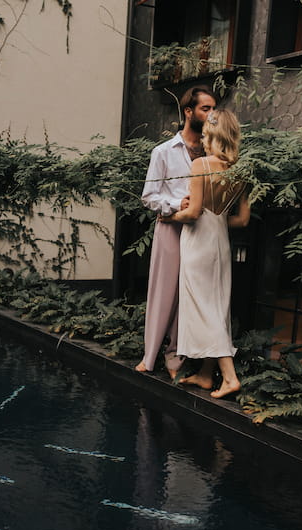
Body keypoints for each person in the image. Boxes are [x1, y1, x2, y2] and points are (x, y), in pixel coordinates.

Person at [168, 108, 250, 399]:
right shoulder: (241, 169)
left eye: (204, 135)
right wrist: (216, 219)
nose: (202, 141)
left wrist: (171, 216)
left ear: (215, 134)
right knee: (216, 306)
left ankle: (229, 377)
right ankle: (205, 374)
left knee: (204, 308)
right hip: (221, 242)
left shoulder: (201, 164)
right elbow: (241, 220)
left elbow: (191, 213)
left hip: (199, 243)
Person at [135, 86, 217, 378]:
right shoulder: (163, 152)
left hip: (202, 231)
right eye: (205, 108)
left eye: (212, 108)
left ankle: (176, 360)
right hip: (170, 230)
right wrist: (173, 204)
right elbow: (149, 196)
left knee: (189, 296)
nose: (211, 114)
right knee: (163, 293)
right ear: (188, 111)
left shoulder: (213, 151)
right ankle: (150, 355)